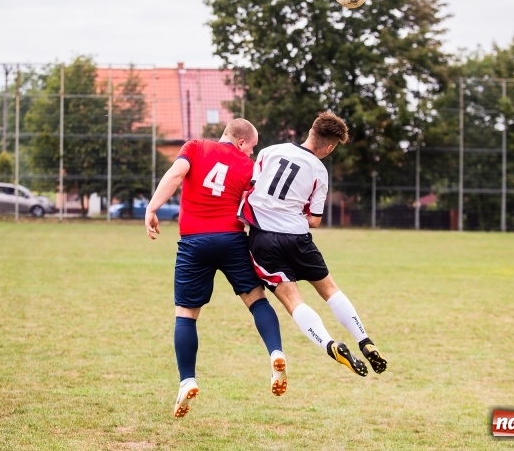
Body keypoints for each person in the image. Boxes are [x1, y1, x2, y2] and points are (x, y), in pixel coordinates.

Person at [145, 118, 286, 419]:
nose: (252, 153)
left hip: (194, 242)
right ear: (241, 142)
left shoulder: (195, 147)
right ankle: (275, 351)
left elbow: (175, 174)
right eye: (251, 147)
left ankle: (187, 380)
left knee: (186, 315)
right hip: (232, 240)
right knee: (256, 300)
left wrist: (152, 207)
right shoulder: (248, 167)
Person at [238, 111, 387, 377]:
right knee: (330, 290)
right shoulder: (319, 171)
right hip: (298, 238)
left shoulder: (269, 152)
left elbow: (251, 187)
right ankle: (364, 339)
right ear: (329, 147)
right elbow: (315, 220)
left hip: (264, 238)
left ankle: (329, 344)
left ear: (310, 131)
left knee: (293, 301)